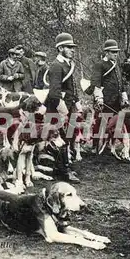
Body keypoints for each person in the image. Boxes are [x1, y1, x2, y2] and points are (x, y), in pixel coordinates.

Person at [45, 32, 81, 183]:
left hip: (68, 106)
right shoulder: (56, 66)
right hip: (58, 109)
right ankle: (64, 171)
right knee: (61, 139)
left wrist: (77, 101)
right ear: (60, 48)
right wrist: (64, 111)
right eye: (69, 47)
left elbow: (71, 86)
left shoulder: (66, 64)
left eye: (73, 47)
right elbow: (54, 93)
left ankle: (64, 166)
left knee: (68, 137)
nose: (73, 50)